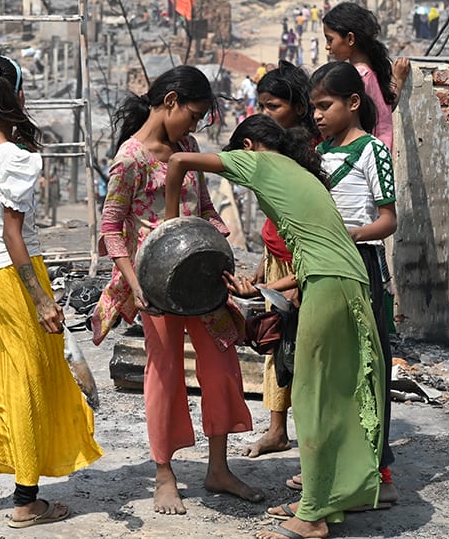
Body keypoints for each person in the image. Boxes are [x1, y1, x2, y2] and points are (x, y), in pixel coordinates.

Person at [163, 115, 385, 539]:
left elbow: (177, 162)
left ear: (248, 144)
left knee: (311, 397)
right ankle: (324, 501)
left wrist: (173, 230)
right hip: (344, 279)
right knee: (335, 394)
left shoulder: (259, 161)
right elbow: (316, 252)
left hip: (326, 282)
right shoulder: (302, 173)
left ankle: (313, 517)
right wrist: (262, 287)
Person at [92, 65, 263, 515]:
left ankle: (218, 468)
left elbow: (204, 207)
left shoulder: (187, 149)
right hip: (155, 286)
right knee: (164, 376)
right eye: (194, 114)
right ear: (170, 102)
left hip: (201, 278)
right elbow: (111, 228)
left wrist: (222, 258)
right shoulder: (130, 159)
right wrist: (135, 285)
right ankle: (164, 473)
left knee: (222, 365)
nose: (196, 126)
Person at [0, 55, 101, 528]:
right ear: (18, 96)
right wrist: (41, 299)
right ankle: (26, 501)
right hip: (13, 278)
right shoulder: (17, 159)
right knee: (28, 382)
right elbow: (14, 235)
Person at [310, 61, 399, 504]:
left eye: (325, 106)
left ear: (353, 103)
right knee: (333, 370)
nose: (318, 115)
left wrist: (352, 234)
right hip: (324, 264)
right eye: (314, 108)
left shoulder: (372, 152)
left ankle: (379, 469)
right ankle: (338, 464)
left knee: (371, 366)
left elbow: (388, 220)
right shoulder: (318, 151)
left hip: (361, 263)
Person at [237, 63, 318, 460]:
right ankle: (276, 429)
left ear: (297, 107)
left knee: (299, 348)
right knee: (276, 342)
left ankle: (309, 434)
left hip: (299, 262)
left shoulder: (306, 151)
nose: (266, 115)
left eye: (273, 106)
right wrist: (261, 262)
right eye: (262, 106)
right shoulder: (277, 149)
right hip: (275, 257)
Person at [320, 2, 408, 151]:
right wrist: (398, 79)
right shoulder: (370, 73)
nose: (327, 46)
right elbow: (385, 108)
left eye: (330, 39)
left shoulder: (359, 77)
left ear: (350, 39)